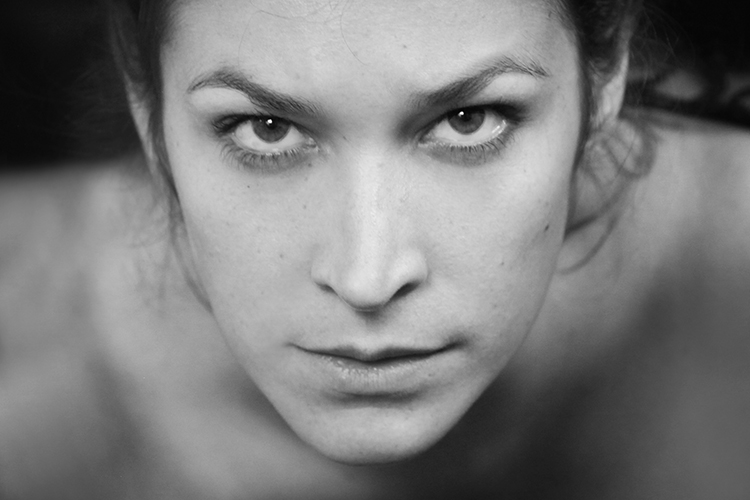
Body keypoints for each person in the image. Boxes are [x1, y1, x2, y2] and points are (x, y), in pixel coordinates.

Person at [1, 0, 748, 498]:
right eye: (267, 130)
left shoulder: (723, 272)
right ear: (147, 106)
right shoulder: (28, 377)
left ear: (605, 77)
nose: (368, 277)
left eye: (468, 119)